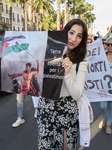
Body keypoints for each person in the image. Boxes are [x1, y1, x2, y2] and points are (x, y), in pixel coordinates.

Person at [37, 19, 88, 150]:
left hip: (67, 110)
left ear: (82, 40)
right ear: (64, 32)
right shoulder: (49, 54)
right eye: (71, 33)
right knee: (46, 146)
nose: (74, 39)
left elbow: (77, 94)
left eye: (79, 36)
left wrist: (67, 73)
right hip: (46, 107)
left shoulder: (81, 62)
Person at [9, 60, 40, 127]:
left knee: (35, 98)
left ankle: (36, 110)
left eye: (27, 67)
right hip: (23, 89)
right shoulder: (23, 72)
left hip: (29, 89)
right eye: (26, 66)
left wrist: (38, 63)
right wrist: (10, 75)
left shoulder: (31, 73)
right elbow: (16, 74)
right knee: (19, 100)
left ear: (29, 68)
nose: (26, 68)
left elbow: (38, 71)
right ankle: (20, 118)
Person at [99, 36, 112, 134]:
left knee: (111, 106)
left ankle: (108, 124)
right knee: (102, 106)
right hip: (103, 86)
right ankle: (104, 118)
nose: (110, 46)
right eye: (108, 44)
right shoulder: (102, 56)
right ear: (105, 45)